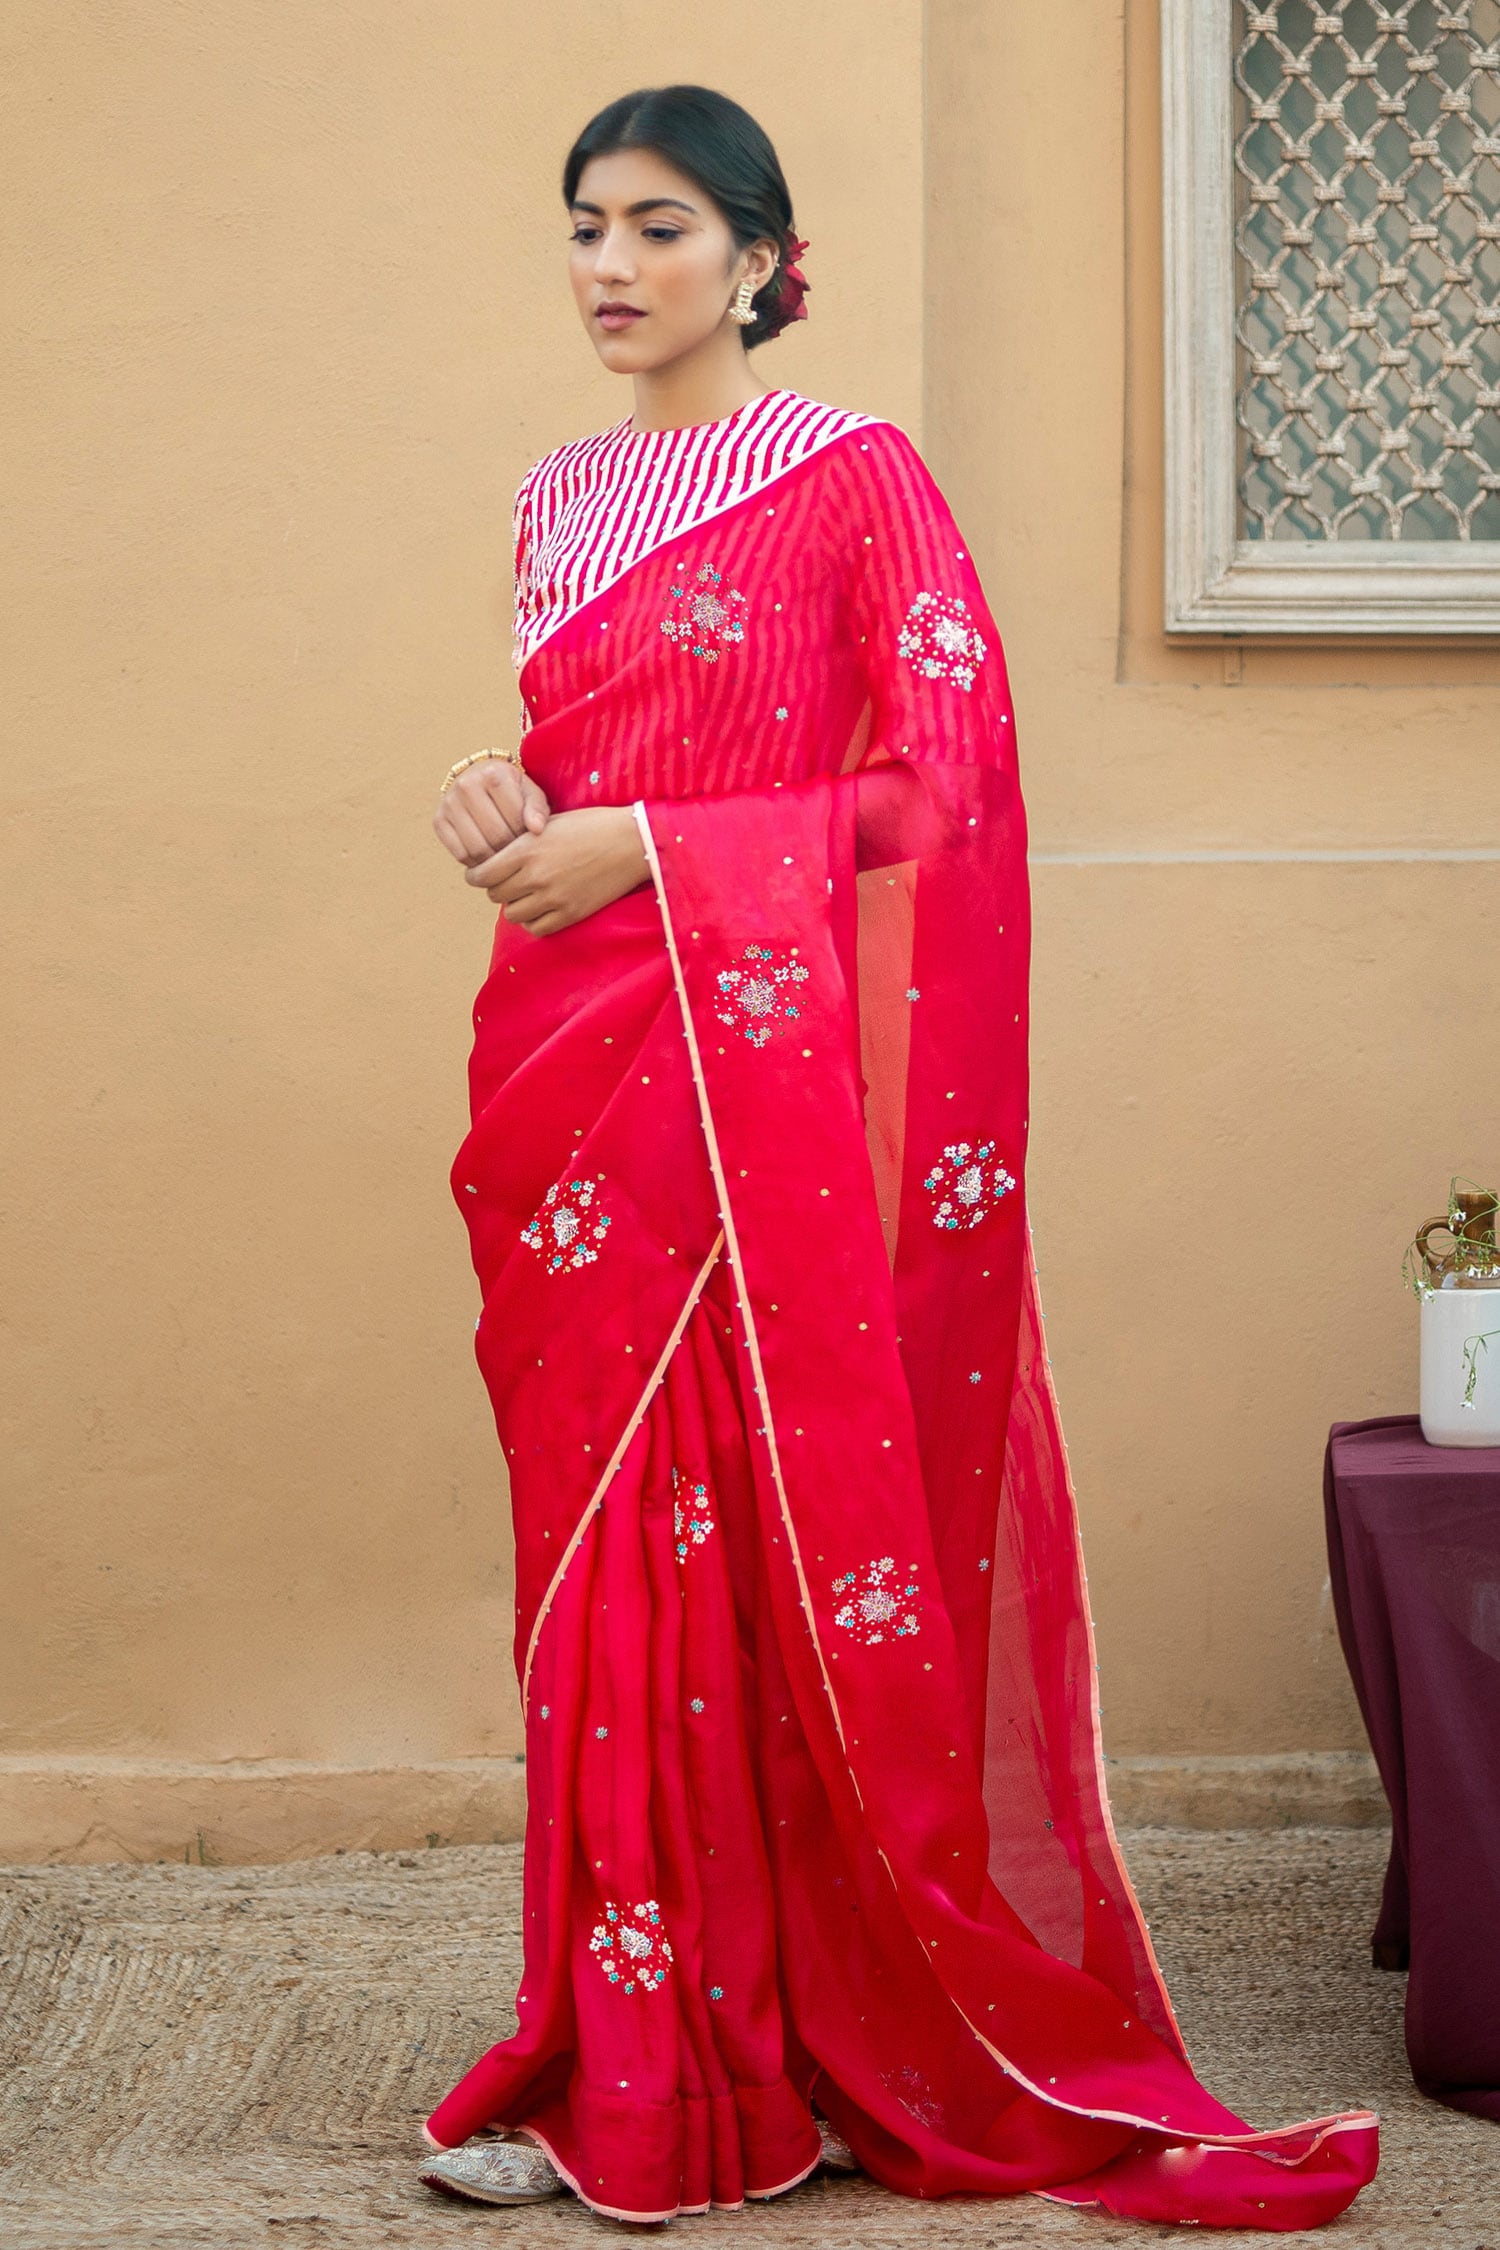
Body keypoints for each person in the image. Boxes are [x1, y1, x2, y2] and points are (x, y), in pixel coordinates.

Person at [416, 83, 1379, 2232]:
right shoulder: (556, 498)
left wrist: (651, 847)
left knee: (745, 1548)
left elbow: (942, 797)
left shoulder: (855, 482)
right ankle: (641, 2049)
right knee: (608, 1571)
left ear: (759, 254)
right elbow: (581, 792)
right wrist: (510, 808)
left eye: (657, 227)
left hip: (761, 1114)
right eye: (582, 226)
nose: (606, 266)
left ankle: (801, 2052)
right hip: (578, 1081)